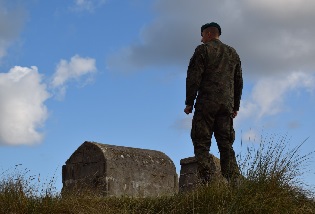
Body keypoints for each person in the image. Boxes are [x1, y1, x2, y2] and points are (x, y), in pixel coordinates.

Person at [184, 22, 243, 184]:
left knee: (201, 142)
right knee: (226, 144)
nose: (201, 39)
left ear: (209, 34)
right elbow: (238, 82)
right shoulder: (233, 53)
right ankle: (234, 183)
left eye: (202, 35)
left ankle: (208, 182)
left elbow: (194, 77)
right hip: (226, 106)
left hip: (206, 104)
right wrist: (235, 106)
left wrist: (189, 102)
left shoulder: (203, 50)